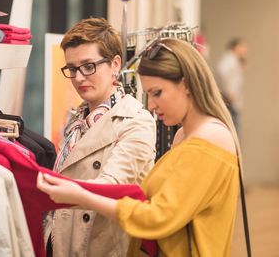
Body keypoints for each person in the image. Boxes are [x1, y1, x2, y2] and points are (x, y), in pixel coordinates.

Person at [38, 38, 242, 257]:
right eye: (148, 95)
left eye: (157, 93)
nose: (152, 105)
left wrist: (82, 196)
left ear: (185, 84)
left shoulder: (208, 139)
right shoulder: (186, 134)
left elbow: (158, 217)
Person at [46, 18, 156, 256]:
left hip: (100, 245)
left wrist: (49, 191)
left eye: (88, 66)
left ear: (115, 64)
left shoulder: (136, 121)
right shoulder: (77, 118)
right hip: (63, 239)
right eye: (72, 69)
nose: (78, 78)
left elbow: (111, 186)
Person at [216, 37, 248, 133]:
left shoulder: (234, 60)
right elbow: (221, 71)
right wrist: (228, 91)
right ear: (235, 47)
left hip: (233, 102)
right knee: (234, 131)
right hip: (230, 103)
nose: (245, 50)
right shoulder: (230, 59)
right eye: (242, 46)